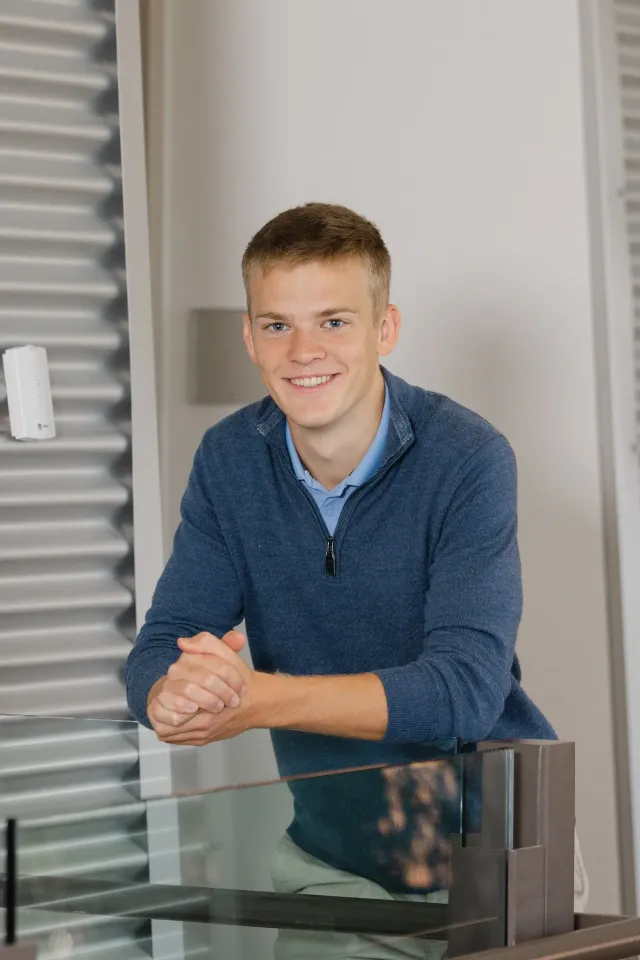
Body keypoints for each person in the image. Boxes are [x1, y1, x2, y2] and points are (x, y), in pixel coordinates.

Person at [124, 202, 558, 958]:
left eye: (333, 321)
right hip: (333, 862)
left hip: (496, 858)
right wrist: (172, 693)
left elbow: (462, 692)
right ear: (249, 337)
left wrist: (257, 699)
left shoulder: (469, 459)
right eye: (276, 324)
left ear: (385, 328)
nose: (302, 351)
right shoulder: (229, 461)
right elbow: (162, 644)